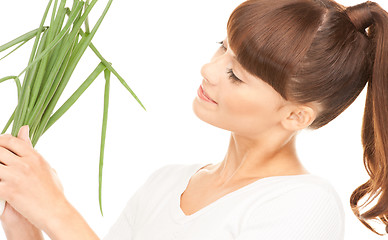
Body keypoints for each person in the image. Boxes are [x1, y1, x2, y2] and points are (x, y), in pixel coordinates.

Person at [1, 0, 388, 239]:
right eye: (222, 47)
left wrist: (56, 210)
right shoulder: (167, 182)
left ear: (294, 116)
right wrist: (27, 224)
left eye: (236, 74)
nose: (209, 68)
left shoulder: (303, 205)